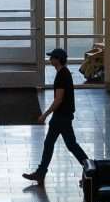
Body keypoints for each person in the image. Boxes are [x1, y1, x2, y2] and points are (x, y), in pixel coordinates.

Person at [22, 45, 90, 184]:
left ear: (58, 60)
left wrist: (45, 114)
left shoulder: (61, 76)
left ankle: (91, 170)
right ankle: (90, 170)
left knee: (65, 145)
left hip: (61, 116)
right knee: (61, 144)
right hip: (63, 115)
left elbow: (58, 99)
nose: (50, 59)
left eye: (52, 57)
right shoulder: (64, 73)